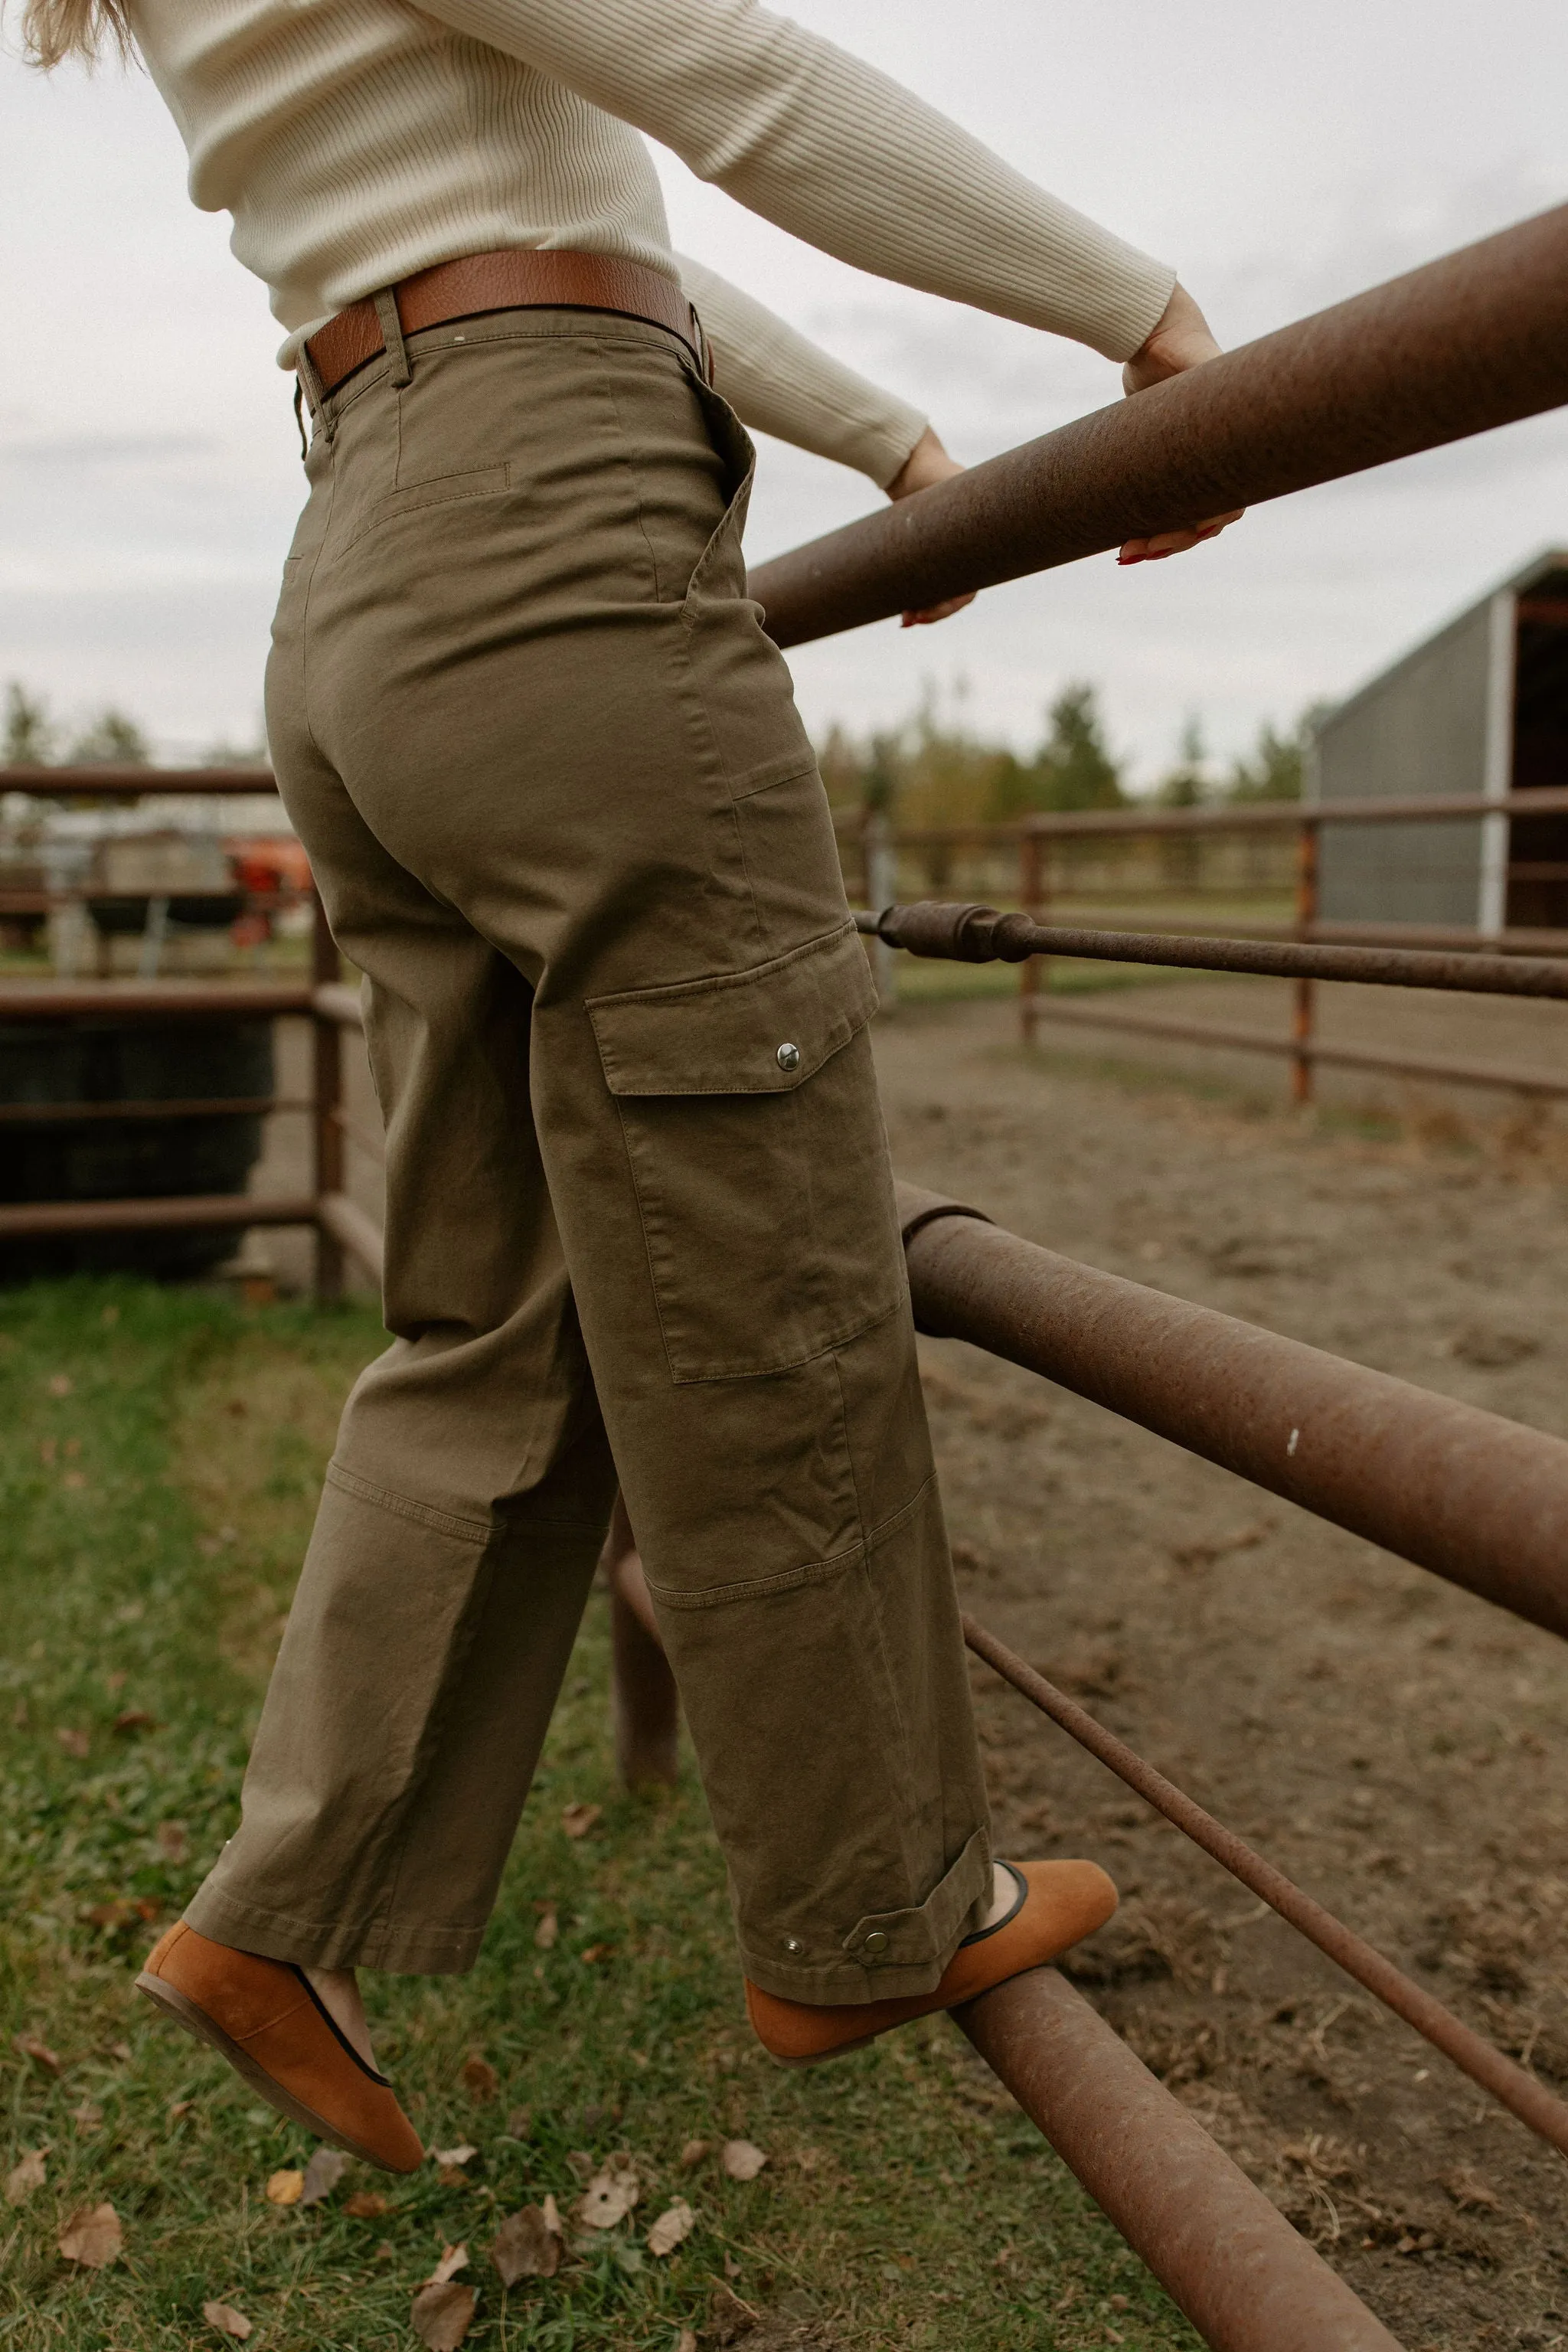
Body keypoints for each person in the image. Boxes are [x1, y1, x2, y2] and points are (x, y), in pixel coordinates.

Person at [25, 0, 1237, 2171]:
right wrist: (1148, 323)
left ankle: (284, 1913)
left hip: (374, 566)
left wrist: (890, 445)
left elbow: (579, 223)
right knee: (760, 1229)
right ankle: (874, 1908)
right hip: (549, 542)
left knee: (498, 1303)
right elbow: (738, 80)